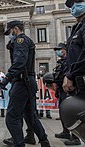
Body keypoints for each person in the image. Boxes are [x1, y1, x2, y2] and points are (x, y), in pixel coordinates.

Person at [0, 20, 50, 147]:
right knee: (30, 116)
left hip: (22, 82)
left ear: (15, 29)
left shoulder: (20, 41)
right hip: (28, 81)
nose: (9, 36)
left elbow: (20, 62)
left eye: (10, 32)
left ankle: (19, 144)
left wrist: (7, 78)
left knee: (12, 117)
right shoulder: (24, 41)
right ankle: (44, 141)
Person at [61, 0, 85, 145]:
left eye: (79, 1)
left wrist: (70, 75)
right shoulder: (77, 27)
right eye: (71, 4)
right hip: (79, 82)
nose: (74, 6)